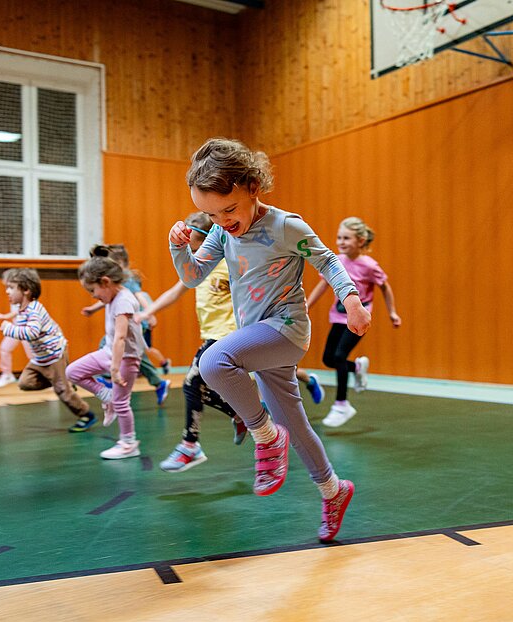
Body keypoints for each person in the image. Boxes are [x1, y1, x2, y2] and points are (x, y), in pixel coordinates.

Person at [169, 137, 371, 543]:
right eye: (212, 214)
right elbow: (192, 277)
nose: (223, 220)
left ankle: (265, 434)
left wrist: (351, 300)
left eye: (229, 209)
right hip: (258, 337)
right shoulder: (222, 232)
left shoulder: (284, 225)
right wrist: (178, 248)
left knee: (212, 362)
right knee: (295, 425)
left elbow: (327, 260)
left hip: (286, 329)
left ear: (252, 188)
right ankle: (333, 490)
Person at [136, 212, 247, 473]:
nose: (194, 254)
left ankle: (190, 445)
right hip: (212, 334)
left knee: (191, 383)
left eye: (196, 247)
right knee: (201, 390)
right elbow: (175, 291)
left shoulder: (229, 263)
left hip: (229, 334)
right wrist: (146, 312)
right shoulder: (199, 266)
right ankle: (243, 415)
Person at [308, 217, 402, 427]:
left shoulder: (369, 265)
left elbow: (385, 287)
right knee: (328, 359)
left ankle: (341, 405)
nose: (341, 242)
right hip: (338, 316)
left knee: (339, 356)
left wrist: (392, 313)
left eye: (346, 238)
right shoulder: (336, 261)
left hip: (359, 318)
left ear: (360, 241)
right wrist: (307, 305)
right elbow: (323, 284)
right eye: (339, 237)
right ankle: (357, 367)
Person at [65, 256, 146, 459]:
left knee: (121, 403)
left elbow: (120, 338)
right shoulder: (113, 295)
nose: (93, 296)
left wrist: (114, 369)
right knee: (73, 372)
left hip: (126, 358)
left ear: (105, 282)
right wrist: (94, 309)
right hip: (108, 352)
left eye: (92, 290)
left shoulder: (124, 301)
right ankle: (106, 395)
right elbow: (106, 304)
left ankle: (128, 443)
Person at [0, 268, 96, 431]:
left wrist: (9, 329)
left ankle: (86, 414)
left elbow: (32, 332)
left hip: (54, 354)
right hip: (40, 357)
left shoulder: (34, 309)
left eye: (11, 287)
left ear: (26, 290)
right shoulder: (21, 311)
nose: (7, 291)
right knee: (25, 383)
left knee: (62, 391)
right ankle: (63, 380)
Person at [82, 244, 172, 404]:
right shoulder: (113, 282)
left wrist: (149, 313)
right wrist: (92, 309)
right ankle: (159, 383)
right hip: (127, 323)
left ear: (118, 263)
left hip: (134, 323)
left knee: (109, 344)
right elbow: (107, 299)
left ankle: (108, 379)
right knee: (138, 356)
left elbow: (140, 295)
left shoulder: (126, 278)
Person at [0, 269, 34, 388]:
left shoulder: (26, 293)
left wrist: (5, 316)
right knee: (4, 348)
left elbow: (20, 310)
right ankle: (7, 374)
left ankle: (48, 376)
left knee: (32, 355)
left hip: (26, 329)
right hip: (16, 327)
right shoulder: (12, 294)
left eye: (10, 286)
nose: (7, 289)